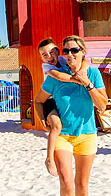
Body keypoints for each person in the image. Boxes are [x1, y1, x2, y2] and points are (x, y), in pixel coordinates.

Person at [34, 36, 107, 196]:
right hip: (63, 136)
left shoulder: (92, 72)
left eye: (74, 50)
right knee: (66, 181)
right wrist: (42, 120)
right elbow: (38, 101)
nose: (69, 54)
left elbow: (102, 106)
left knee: (82, 184)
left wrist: (87, 84)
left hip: (86, 134)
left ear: (83, 51)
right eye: (66, 51)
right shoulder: (55, 76)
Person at [37, 38, 89, 178]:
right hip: (49, 101)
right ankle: (49, 159)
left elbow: (85, 61)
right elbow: (58, 76)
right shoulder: (46, 67)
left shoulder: (64, 59)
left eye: (51, 52)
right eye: (44, 55)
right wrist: (76, 79)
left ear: (58, 51)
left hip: (61, 100)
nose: (49, 57)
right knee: (56, 126)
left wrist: (82, 71)